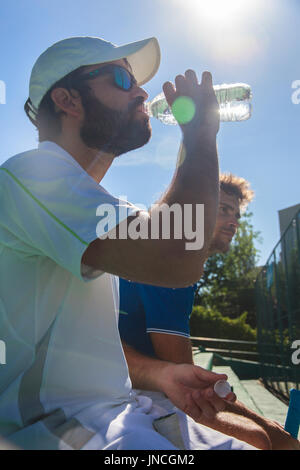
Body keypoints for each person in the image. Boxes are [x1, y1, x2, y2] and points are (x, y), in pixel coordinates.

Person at [0, 35, 255, 450]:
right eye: (122, 78)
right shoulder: (33, 175)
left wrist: (161, 374)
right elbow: (177, 256)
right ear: (67, 100)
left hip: (114, 410)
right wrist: (201, 134)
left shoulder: (96, 208)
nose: (141, 92)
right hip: (48, 428)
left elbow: (85, 347)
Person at [119, 175, 300, 450]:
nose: (234, 222)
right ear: (192, 209)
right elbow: (189, 387)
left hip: (133, 382)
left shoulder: (175, 253)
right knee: (263, 439)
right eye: (223, 209)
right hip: (123, 392)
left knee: (264, 435)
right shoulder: (174, 256)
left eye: (236, 214)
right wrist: (276, 435)